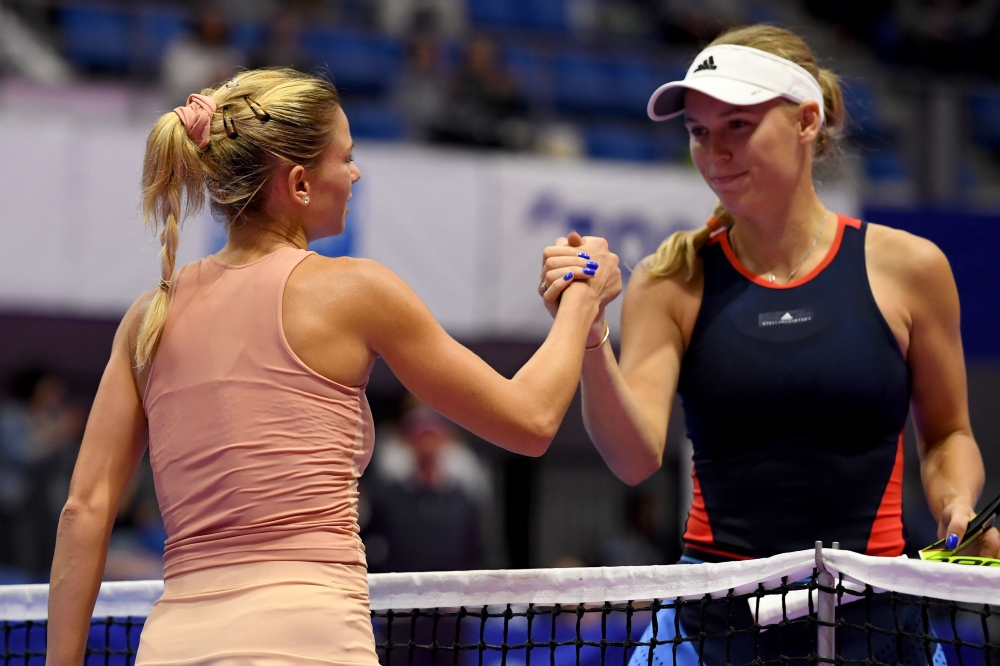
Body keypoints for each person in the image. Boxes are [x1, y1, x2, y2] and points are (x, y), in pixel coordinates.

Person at [46, 68, 621, 665]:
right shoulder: (355, 290)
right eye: (345, 157)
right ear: (298, 183)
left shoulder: (147, 317)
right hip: (310, 643)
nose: (355, 173)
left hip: (174, 648)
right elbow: (529, 421)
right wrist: (582, 294)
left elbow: (83, 512)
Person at [538, 24, 998, 666]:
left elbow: (949, 435)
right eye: (699, 131)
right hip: (710, 628)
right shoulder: (669, 281)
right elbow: (633, 458)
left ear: (807, 121)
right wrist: (589, 337)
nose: (715, 151)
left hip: (882, 621)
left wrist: (956, 503)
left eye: (737, 125)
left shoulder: (912, 268)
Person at [362, 397, 491, 572]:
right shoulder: (385, 496)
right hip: (401, 586)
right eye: (420, 433)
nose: (427, 443)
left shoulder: (463, 499)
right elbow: (370, 542)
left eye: (433, 434)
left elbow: (476, 549)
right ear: (408, 438)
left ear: (445, 437)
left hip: (452, 589)